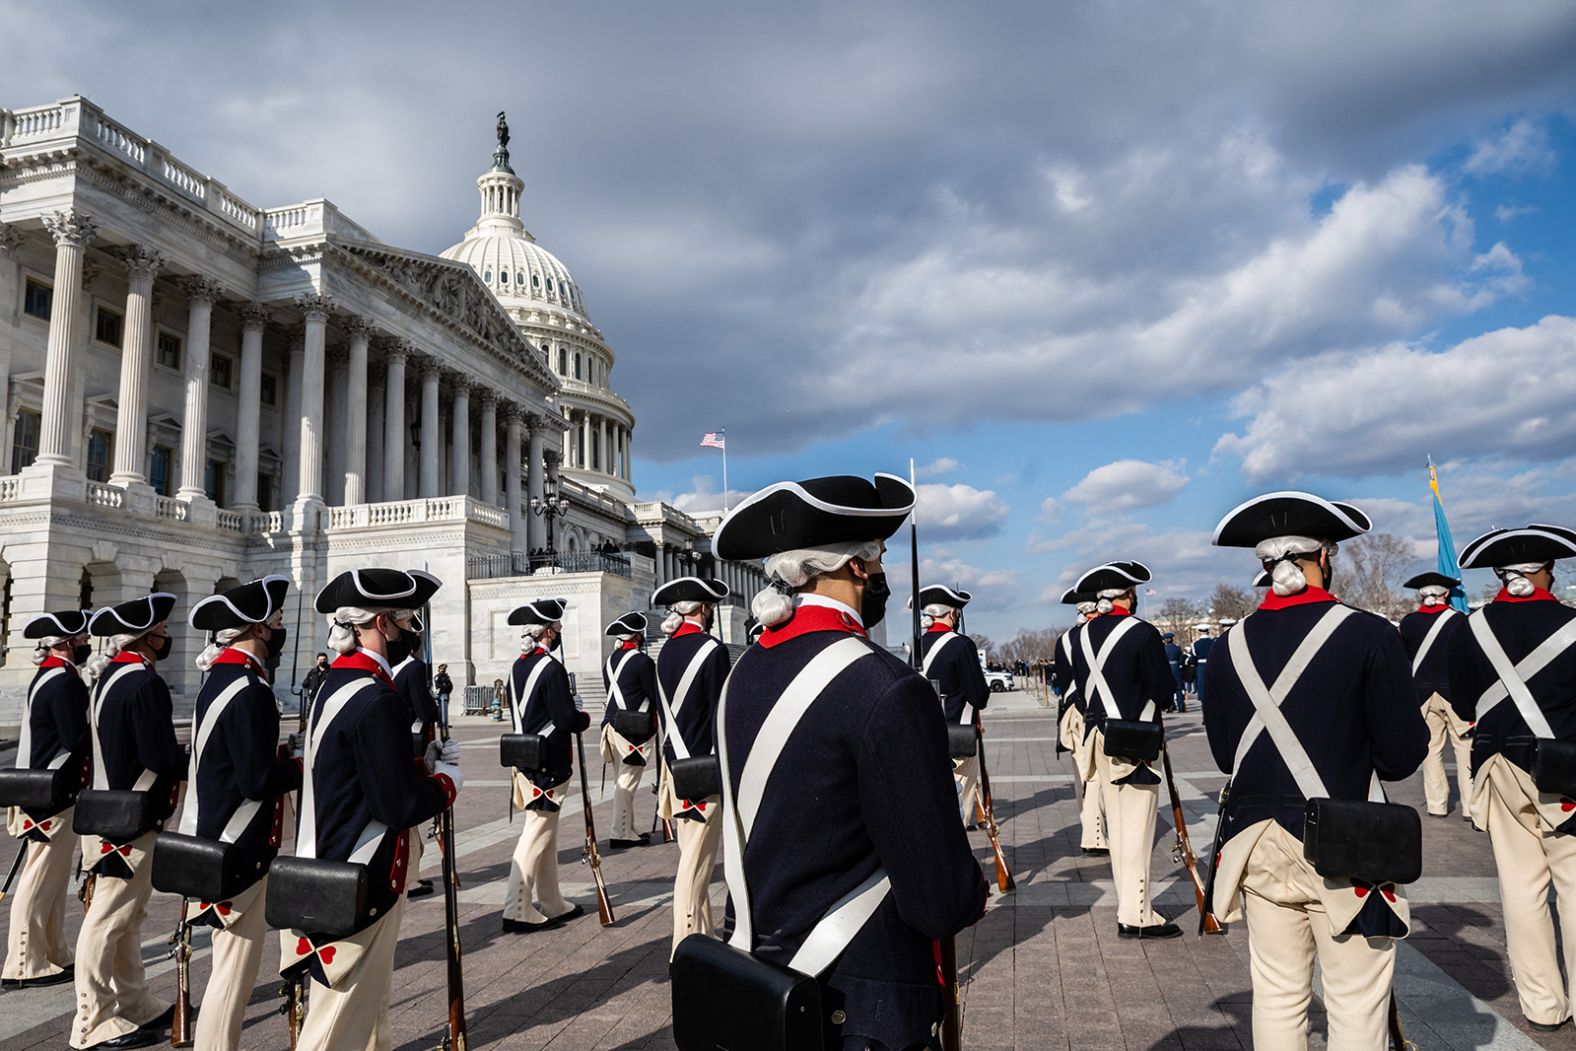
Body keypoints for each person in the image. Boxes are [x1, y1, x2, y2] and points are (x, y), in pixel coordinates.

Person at [708, 472, 988, 1048]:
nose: (883, 571)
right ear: (858, 566)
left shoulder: (742, 675)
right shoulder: (885, 685)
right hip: (862, 1000)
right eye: (880, 556)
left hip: (759, 977)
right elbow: (939, 901)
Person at [1203, 491, 1426, 1049]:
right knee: (1355, 1002)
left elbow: (1226, 755)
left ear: (1266, 567)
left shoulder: (1227, 645)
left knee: (1277, 995)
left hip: (1257, 839)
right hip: (1347, 842)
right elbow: (1401, 757)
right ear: (1324, 558)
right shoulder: (1371, 633)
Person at [280, 569, 461, 1050]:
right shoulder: (376, 697)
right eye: (406, 622)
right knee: (337, 1025)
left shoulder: (335, 684)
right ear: (383, 622)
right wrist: (445, 784)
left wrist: (416, 767)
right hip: (362, 869)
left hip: (331, 857)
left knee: (366, 1009)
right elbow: (397, 805)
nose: (410, 633)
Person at [1448, 524, 1576, 1032]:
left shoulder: (1470, 627)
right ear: (1546, 572)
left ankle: (1543, 1004)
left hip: (1500, 766)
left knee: (1521, 889)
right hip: (1566, 769)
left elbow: (1463, 703)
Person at [181, 577, 301, 1051]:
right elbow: (256, 781)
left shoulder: (219, 680)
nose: (278, 630)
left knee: (227, 968)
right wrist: (297, 767)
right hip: (238, 845)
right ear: (255, 627)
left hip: (213, 835)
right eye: (273, 622)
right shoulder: (250, 688)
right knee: (233, 975)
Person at [72, 593, 187, 1050]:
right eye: (161, 632)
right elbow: (158, 754)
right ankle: (91, 1019)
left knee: (127, 917)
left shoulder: (111, 677)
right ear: (148, 637)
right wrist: (192, 760)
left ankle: (134, 1002)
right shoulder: (143, 683)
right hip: (130, 816)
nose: (166, 639)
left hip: (111, 808)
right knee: (106, 919)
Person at [1070, 560, 1178, 939]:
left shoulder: (1080, 635)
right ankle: (1136, 912)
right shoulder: (1141, 632)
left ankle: (1130, 902)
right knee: (1134, 827)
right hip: (1133, 741)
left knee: (1118, 827)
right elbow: (1165, 692)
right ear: (1128, 596)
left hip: (1096, 735)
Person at [2, 609, 91, 989]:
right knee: (39, 880)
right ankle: (23, 961)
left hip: (42, 789)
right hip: (50, 794)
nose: (88, 643)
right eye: (83, 638)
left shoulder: (50, 675)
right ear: (70, 643)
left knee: (52, 880)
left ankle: (54, 951)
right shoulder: (65, 681)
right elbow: (75, 740)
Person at [653, 575, 732, 954]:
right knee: (694, 865)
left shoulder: (665, 651)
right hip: (703, 767)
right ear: (703, 609)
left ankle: (703, 936)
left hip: (674, 764)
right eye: (711, 608)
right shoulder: (711, 650)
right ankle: (684, 948)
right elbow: (721, 713)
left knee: (693, 856)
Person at [501, 597, 589, 932]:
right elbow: (565, 718)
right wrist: (582, 715)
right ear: (549, 632)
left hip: (526, 759)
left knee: (546, 833)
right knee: (536, 832)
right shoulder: (551, 668)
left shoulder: (517, 665)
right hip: (549, 760)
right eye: (559, 628)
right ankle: (517, 907)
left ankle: (552, 901)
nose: (560, 632)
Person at [916, 585, 990, 827]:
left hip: (924, 733)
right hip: (957, 732)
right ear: (951, 614)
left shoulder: (917, 646)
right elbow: (978, 695)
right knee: (960, 806)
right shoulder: (961, 645)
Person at [1399, 571, 1471, 820]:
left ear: (1421, 595)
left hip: (1422, 694)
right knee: (1465, 750)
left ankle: (1437, 805)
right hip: (1456, 694)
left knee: (1430, 751)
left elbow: (1404, 659)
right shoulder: (1460, 621)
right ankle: (1471, 807)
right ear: (1446, 593)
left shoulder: (1408, 623)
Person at [388, 591, 440, 900]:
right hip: (412, 741)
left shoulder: (390, 668)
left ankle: (412, 874)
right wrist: (433, 706)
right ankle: (410, 876)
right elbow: (424, 711)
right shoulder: (414, 669)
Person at [1054, 588, 1107, 857]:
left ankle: (1091, 826)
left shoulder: (1064, 639)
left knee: (1081, 774)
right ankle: (1095, 835)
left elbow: (1061, 680)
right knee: (1094, 773)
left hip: (1071, 711)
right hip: (1092, 710)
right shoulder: (1098, 636)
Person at [600, 611, 659, 849]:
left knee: (621, 778)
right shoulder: (642, 661)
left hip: (613, 726)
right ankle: (620, 832)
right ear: (637, 636)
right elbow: (653, 694)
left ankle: (629, 828)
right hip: (634, 730)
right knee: (627, 781)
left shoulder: (610, 661)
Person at [1161, 632, 1186, 713]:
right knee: (1178, 688)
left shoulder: (1163, 649)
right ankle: (1181, 706)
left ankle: (1170, 706)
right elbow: (1181, 660)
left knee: (1168, 689)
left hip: (1167, 669)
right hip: (1176, 668)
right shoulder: (1177, 648)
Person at [1190, 626, 1215, 704]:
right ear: (1208, 632)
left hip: (1200, 665)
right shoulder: (1213, 642)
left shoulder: (1195, 644)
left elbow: (1193, 657)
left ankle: (1203, 697)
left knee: (1201, 682)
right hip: (1211, 663)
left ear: (1199, 632)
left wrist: (1193, 663)